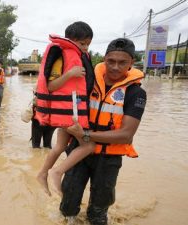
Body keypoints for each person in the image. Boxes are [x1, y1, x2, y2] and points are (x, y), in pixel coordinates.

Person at [60, 38, 146, 225]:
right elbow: (65, 102)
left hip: (108, 159)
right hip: (79, 151)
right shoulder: (88, 81)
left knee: (98, 213)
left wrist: (87, 135)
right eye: (111, 61)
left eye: (122, 62)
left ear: (132, 63)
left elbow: (126, 134)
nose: (115, 67)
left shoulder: (135, 93)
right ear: (104, 58)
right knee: (67, 206)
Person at [36, 21, 96, 196]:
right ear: (70, 40)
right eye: (82, 43)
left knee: (60, 145)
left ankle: (42, 174)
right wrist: (70, 74)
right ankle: (57, 172)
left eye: (88, 44)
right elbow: (51, 86)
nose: (85, 48)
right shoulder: (62, 55)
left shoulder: (81, 56)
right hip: (71, 114)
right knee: (89, 145)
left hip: (73, 112)